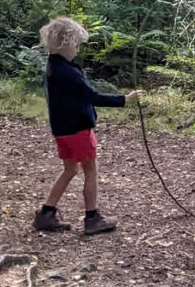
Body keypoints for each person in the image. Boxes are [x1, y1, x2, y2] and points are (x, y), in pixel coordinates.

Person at [33, 17, 141, 235]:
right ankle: (92, 218)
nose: (77, 49)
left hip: (62, 130)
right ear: (64, 43)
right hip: (78, 129)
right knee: (90, 169)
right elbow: (92, 96)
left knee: (70, 169)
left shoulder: (54, 66)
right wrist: (124, 99)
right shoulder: (68, 72)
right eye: (75, 44)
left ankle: (46, 213)